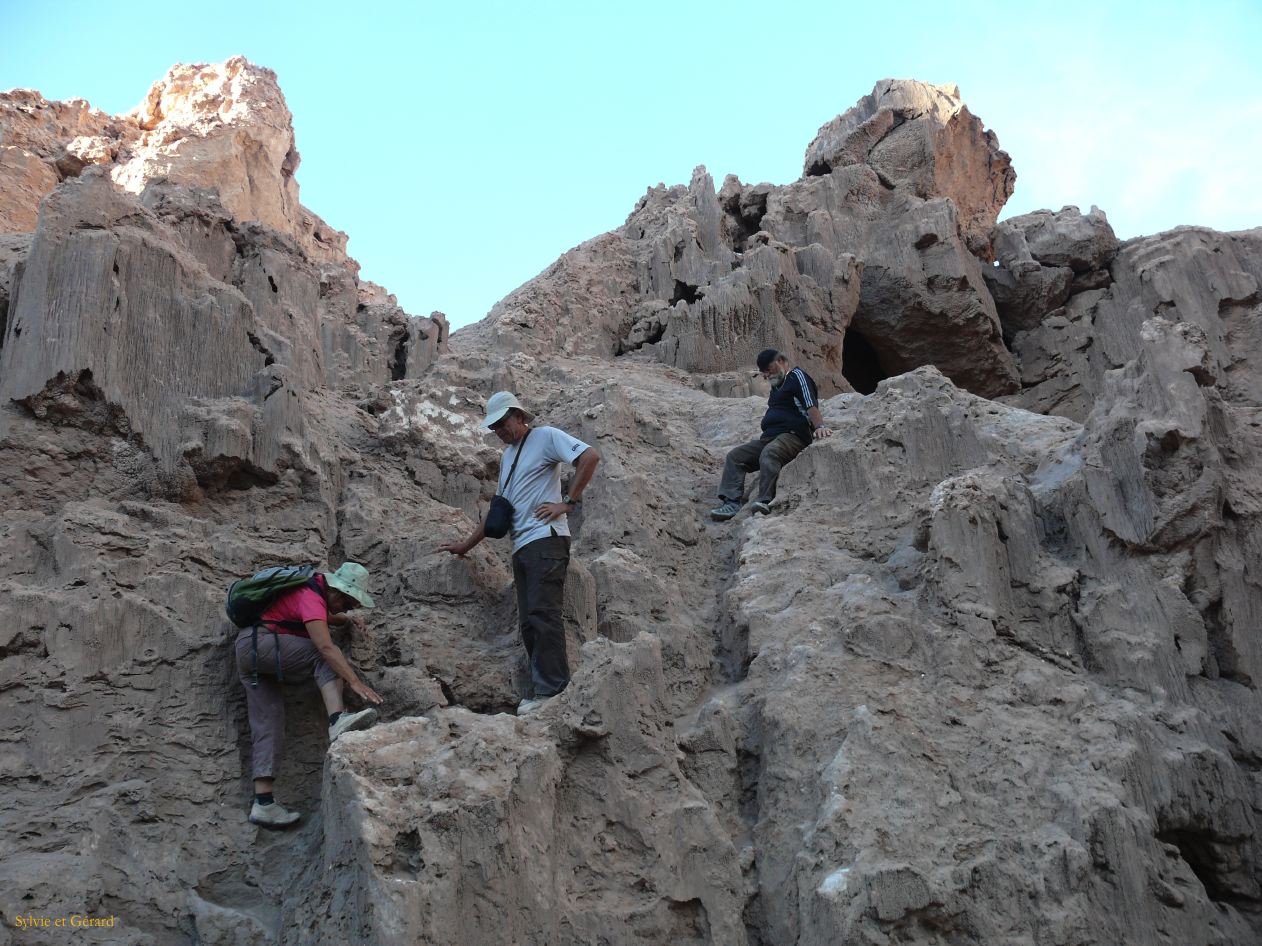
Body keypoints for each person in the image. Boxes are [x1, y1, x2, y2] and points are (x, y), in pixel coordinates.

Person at [438, 392, 601, 714]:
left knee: (543, 614)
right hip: (521, 546)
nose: (499, 431)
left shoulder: (546, 437)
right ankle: (543, 689)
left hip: (545, 540)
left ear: (518, 416)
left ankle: (554, 691)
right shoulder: (508, 457)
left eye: (503, 423)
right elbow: (499, 510)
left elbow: (590, 456)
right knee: (528, 622)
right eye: (494, 427)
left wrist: (567, 502)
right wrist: (465, 546)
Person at [235, 562, 383, 828]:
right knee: (325, 654)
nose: (345, 608)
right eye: (346, 603)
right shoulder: (310, 594)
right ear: (336, 591)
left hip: (249, 651)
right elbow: (325, 647)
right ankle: (337, 720)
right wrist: (355, 682)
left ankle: (263, 803)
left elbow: (320, 618)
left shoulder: (311, 596)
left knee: (269, 722)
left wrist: (346, 619)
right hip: (262, 644)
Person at [710, 349, 832, 521]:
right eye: (764, 372)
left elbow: (810, 403)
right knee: (735, 456)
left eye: (768, 369)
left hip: (793, 436)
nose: (767, 375)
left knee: (770, 453)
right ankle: (731, 503)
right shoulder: (777, 386)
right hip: (770, 438)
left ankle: (764, 500)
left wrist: (820, 426)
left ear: (781, 361)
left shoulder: (797, 376)